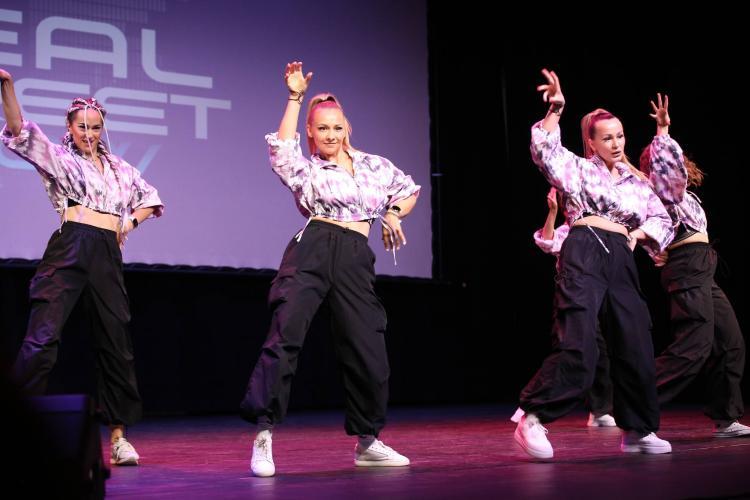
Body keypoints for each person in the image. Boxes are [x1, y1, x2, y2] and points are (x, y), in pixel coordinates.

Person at [240, 61, 420, 477]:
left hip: (356, 256)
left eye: (337, 128)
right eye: (322, 129)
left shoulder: (374, 165)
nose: (331, 135)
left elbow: (408, 190)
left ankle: (368, 440)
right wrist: (295, 98)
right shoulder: (307, 168)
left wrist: (393, 214)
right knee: (285, 336)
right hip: (314, 248)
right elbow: (282, 151)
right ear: (311, 133)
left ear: (347, 128)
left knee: (367, 347)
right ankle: (264, 433)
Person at [0, 69, 164, 465]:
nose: (89, 134)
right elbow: (20, 131)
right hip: (71, 245)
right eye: (82, 127)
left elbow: (151, 198)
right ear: (70, 128)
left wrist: (128, 223)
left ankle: (119, 438)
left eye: (95, 127)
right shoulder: (60, 159)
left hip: (106, 252)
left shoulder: (121, 168)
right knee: (42, 338)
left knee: (116, 345)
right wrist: (7, 88)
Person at [514, 69, 674, 459]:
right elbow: (545, 152)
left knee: (635, 342)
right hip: (585, 247)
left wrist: (640, 234)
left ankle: (638, 430)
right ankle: (533, 417)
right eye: (607, 138)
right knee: (579, 342)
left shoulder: (636, 183)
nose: (616, 144)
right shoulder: (580, 170)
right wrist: (555, 110)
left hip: (621, 256)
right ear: (591, 142)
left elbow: (663, 215)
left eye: (620, 136)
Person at [641, 94, 749, 438]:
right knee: (694, 346)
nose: (678, 164)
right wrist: (662, 130)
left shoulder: (685, 195)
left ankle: (725, 416)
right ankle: (636, 402)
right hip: (688, 265)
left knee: (729, 341)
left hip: (701, 266)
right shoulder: (659, 188)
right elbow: (662, 172)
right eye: (669, 162)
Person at [512, 187, 616, 428]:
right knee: (576, 348)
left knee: (601, 352)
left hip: (598, 293)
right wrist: (552, 211)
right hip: (574, 292)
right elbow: (546, 242)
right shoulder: (569, 230)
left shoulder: (598, 226)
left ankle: (600, 410)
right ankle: (532, 406)